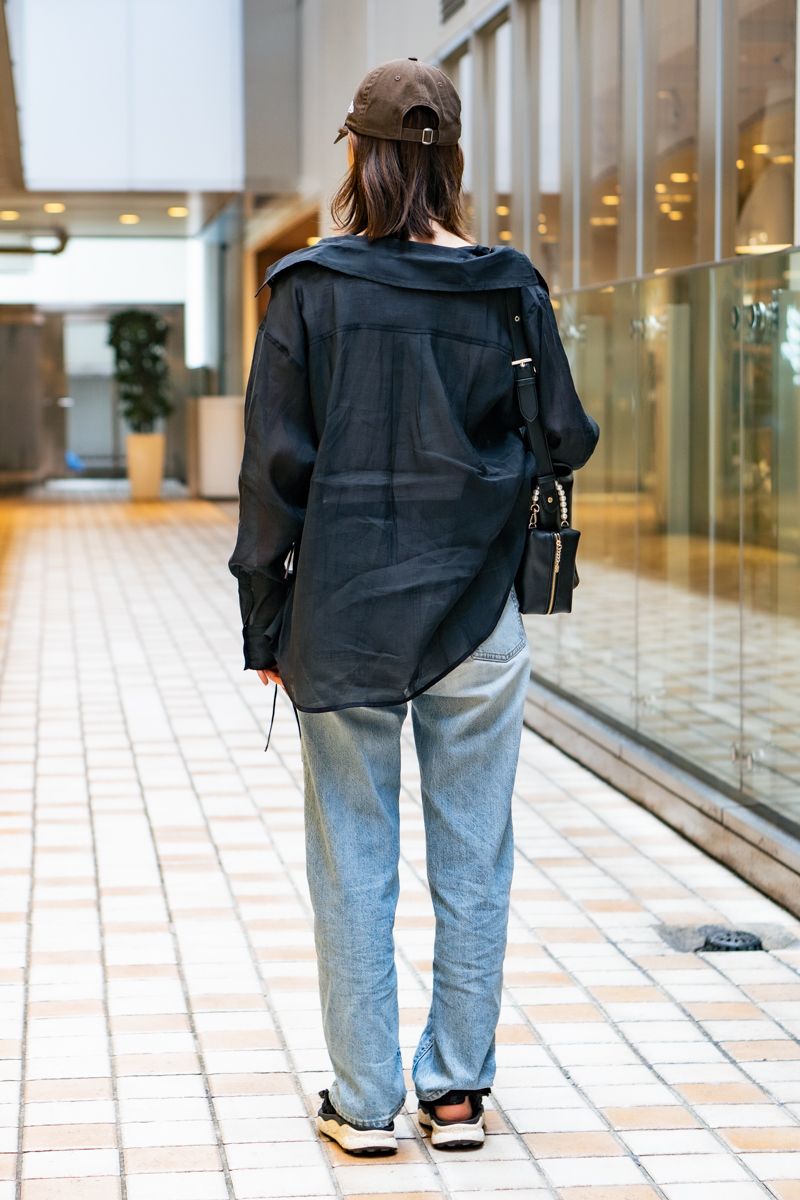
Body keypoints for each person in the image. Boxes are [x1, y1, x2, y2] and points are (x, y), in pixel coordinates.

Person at [229, 57, 599, 1156]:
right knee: (474, 854)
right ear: (450, 160)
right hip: (476, 612)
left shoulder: (309, 289)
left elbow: (272, 474)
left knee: (352, 858)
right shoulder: (508, 286)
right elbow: (566, 436)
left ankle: (363, 1104)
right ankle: (455, 1094)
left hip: (342, 616)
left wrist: (263, 623)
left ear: (357, 154)